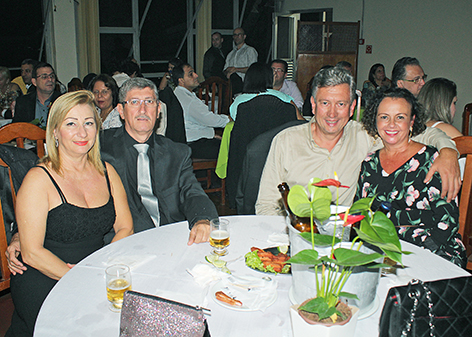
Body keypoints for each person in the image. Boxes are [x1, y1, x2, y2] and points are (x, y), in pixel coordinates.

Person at [6, 78, 214, 277]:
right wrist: (20, 235)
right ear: (121, 111)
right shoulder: (94, 145)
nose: (143, 110)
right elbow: (47, 181)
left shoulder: (177, 152)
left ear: (158, 109)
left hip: (172, 243)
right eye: (134, 102)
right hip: (122, 250)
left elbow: (192, 192)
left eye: (149, 102)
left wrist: (202, 219)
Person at [6, 90, 133, 336]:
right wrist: (81, 277)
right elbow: (32, 253)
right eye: (71, 124)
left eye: (88, 123)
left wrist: (103, 267)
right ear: (55, 131)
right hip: (43, 274)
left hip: (94, 268)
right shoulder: (39, 180)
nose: (82, 132)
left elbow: (125, 227)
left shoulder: (107, 171)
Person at [255, 67, 460, 216]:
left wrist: (448, 150)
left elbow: (420, 133)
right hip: (295, 233)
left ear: (352, 107)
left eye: (341, 104)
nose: (332, 113)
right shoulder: (286, 141)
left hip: (344, 240)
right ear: (313, 105)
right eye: (325, 103)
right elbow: (265, 205)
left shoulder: (365, 135)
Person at [355, 88, 466, 267]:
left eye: (400, 117)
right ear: (374, 121)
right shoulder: (369, 163)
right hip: (383, 249)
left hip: (431, 249)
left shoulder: (433, 160)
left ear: (412, 121)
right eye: (384, 117)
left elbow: (447, 222)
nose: (391, 124)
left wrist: (414, 258)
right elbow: (361, 214)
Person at [174, 63, 231, 159]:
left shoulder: (178, 93)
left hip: (188, 141)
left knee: (225, 142)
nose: (196, 75)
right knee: (233, 148)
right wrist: (229, 119)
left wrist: (211, 135)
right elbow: (210, 120)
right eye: (190, 74)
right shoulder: (188, 100)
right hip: (193, 144)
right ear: (181, 80)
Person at [229, 62, 303, 120]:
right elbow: (299, 120)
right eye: (273, 74)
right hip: (275, 138)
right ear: (268, 78)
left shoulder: (238, 101)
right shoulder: (281, 97)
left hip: (248, 139)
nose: (275, 76)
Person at [13, 62, 62, 127]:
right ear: (34, 82)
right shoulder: (23, 102)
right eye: (44, 77)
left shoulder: (62, 100)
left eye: (52, 76)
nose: (50, 79)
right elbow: (16, 128)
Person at [224, 27, 258, 95]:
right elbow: (224, 70)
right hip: (231, 86)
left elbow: (253, 69)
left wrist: (236, 69)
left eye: (239, 34)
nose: (236, 37)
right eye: (235, 35)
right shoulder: (231, 53)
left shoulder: (250, 50)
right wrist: (228, 70)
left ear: (244, 36)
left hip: (245, 86)